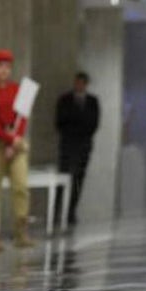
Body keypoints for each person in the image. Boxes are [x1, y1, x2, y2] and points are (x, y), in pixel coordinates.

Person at [0, 49, 32, 252]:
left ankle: (21, 232)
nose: (4, 70)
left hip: (16, 144)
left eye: (7, 67)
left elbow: (22, 117)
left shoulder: (19, 89)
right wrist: (8, 139)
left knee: (21, 186)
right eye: (0, 66)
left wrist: (14, 141)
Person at [54, 71, 100, 225]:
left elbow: (93, 124)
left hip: (83, 145)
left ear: (86, 84)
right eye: (77, 82)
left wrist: (80, 129)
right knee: (63, 178)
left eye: (82, 83)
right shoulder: (65, 100)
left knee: (78, 180)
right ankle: (56, 211)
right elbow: (60, 122)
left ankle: (71, 212)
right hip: (68, 144)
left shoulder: (92, 102)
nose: (79, 85)